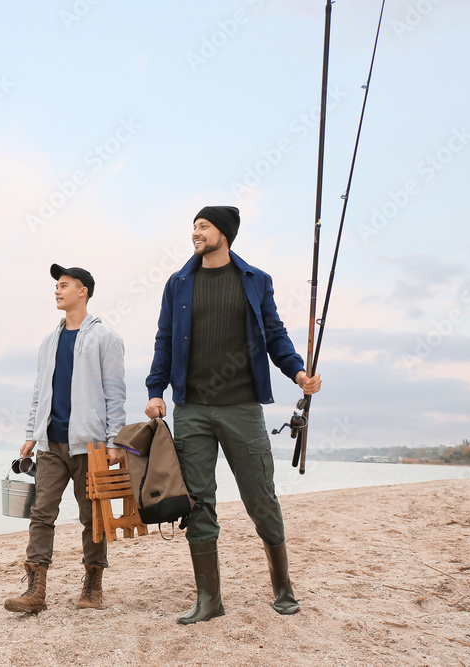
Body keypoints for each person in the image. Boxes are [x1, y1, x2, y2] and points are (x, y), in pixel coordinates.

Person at [144, 205, 322, 625]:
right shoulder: (178, 283)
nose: (195, 232)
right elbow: (164, 339)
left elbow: (275, 334)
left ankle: (282, 587)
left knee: (260, 496)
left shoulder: (256, 281)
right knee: (199, 501)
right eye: (193, 226)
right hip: (192, 410)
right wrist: (155, 390)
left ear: (224, 233)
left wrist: (298, 372)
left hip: (242, 407)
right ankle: (210, 600)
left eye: (203, 226)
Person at [4, 264, 127, 614]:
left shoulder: (106, 338)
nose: (57, 291)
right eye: (56, 286)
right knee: (41, 514)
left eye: (64, 285)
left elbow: (115, 394)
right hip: (50, 444)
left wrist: (115, 439)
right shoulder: (48, 341)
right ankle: (36, 589)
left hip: (90, 446)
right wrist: (31, 434)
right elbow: (39, 392)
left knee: (92, 517)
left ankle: (92, 584)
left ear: (82, 291)